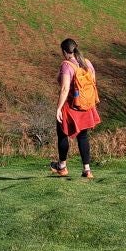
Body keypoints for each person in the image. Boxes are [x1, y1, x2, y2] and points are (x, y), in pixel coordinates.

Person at [50, 37, 100, 179]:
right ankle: (87, 170)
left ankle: (62, 166)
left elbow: (65, 89)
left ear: (64, 51)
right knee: (83, 137)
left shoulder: (67, 65)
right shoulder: (87, 63)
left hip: (71, 106)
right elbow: (93, 82)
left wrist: (58, 108)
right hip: (85, 106)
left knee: (62, 134)